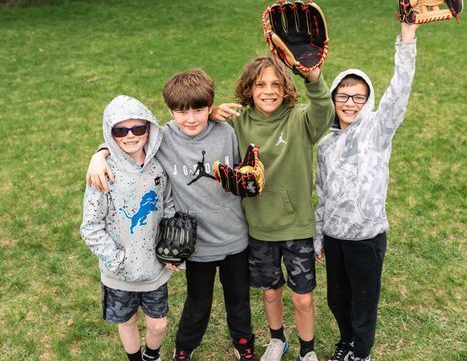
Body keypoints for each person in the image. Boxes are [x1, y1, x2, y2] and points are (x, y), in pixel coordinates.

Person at [86, 69, 256, 361]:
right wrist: (99, 154)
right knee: (198, 302)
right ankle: (184, 349)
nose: (191, 118)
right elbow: (128, 139)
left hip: (234, 237)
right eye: (181, 111)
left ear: (209, 106)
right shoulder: (162, 138)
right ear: (169, 110)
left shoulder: (226, 133)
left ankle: (244, 345)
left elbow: (244, 170)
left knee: (238, 299)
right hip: (196, 244)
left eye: (199, 110)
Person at [212, 57, 334, 361]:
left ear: (285, 88)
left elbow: (325, 108)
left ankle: (307, 350)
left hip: (296, 227)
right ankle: (278, 339)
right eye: (261, 85)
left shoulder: (300, 119)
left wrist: (314, 76)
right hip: (259, 227)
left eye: (276, 84)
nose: (269, 91)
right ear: (249, 89)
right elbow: (191, 128)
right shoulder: (237, 123)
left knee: (303, 299)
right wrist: (210, 114)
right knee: (270, 292)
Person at [313, 22, 420, 361]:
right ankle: (345, 341)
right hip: (334, 234)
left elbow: (399, 89)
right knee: (336, 298)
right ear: (333, 98)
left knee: (363, 299)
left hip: (367, 235)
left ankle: (361, 352)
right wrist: (319, 235)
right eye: (343, 95)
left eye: (358, 96)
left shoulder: (377, 129)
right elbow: (322, 193)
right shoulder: (325, 145)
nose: (350, 103)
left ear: (369, 99)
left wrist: (408, 36)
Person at [80, 95, 176, 361]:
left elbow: (167, 204)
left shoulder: (159, 164)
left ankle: (152, 356)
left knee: (158, 324)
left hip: (155, 268)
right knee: (128, 321)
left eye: (138, 128)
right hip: (119, 272)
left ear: (149, 128)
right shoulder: (102, 173)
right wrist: (118, 260)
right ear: (110, 134)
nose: (130, 136)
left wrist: (171, 249)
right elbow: (90, 227)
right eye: (120, 130)